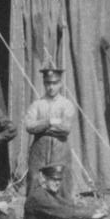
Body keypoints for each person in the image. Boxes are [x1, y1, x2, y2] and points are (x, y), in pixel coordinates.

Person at [23, 164, 107, 219]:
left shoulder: (48, 193)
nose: (57, 183)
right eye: (53, 179)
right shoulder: (38, 196)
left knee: (89, 218)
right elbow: (63, 211)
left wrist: (94, 211)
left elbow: (68, 205)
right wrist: (91, 214)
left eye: (59, 180)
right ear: (44, 179)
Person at [25, 63, 76, 200]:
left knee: (61, 183)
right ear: (44, 83)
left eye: (54, 83)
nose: (51, 87)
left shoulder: (66, 104)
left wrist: (41, 126)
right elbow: (29, 126)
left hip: (60, 148)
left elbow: (66, 128)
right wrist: (49, 122)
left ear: (60, 83)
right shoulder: (37, 104)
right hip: (39, 148)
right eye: (47, 83)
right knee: (35, 181)